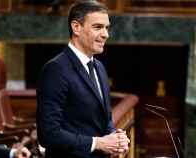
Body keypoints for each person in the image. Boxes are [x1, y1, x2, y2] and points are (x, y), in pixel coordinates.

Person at [36, 1, 130, 158]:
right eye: (98, 27)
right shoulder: (55, 70)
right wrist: (97, 143)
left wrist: (116, 138)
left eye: (107, 27)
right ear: (76, 27)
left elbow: (104, 120)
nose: (105, 34)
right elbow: (48, 134)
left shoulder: (99, 67)